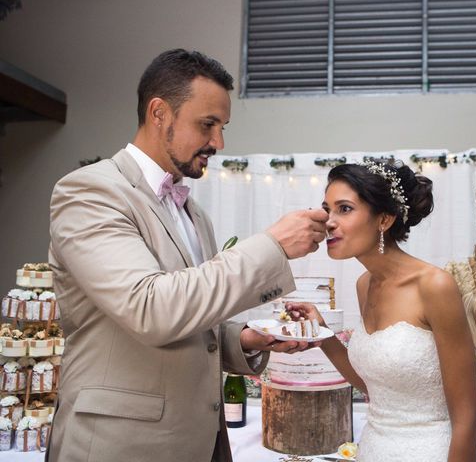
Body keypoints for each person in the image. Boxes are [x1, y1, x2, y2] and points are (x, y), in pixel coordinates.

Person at [46, 49, 328, 462]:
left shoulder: (194, 214)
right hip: (120, 447)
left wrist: (243, 339)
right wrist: (273, 245)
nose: (219, 142)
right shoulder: (90, 192)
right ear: (159, 113)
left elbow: (194, 319)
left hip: (201, 442)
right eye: (207, 125)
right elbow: (149, 308)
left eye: (223, 126)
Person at [286, 161, 476, 462]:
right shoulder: (364, 284)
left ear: (385, 220)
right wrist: (322, 334)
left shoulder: (435, 286)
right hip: (373, 449)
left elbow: (468, 417)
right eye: (327, 209)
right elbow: (376, 387)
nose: (329, 222)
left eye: (345, 209)